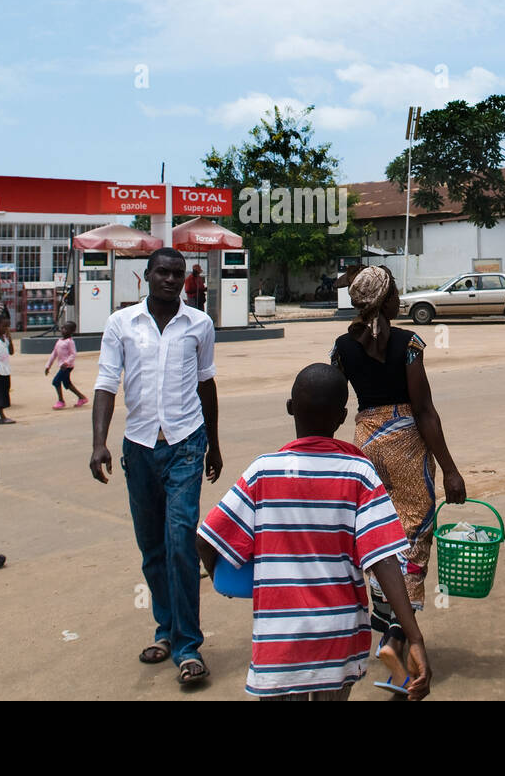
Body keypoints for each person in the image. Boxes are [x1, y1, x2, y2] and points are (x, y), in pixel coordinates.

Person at [197, 363, 430, 701]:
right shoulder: (359, 473)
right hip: (338, 641)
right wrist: (415, 638)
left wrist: (219, 574)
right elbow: (384, 561)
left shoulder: (264, 472)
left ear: (291, 408)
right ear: (342, 416)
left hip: (280, 642)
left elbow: (207, 539)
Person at [89, 246, 221, 688]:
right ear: (145, 276)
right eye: (162, 272)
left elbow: (207, 383)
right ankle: (165, 629)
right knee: (152, 548)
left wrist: (214, 446)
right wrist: (98, 443)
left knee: (181, 540)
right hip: (140, 448)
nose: (170, 279)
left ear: (185, 279)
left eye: (177, 273)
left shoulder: (199, 324)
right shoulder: (120, 324)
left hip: (186, 444)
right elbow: (107, 383)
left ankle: (188, 648)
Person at [329, 264, 465, 689]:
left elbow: (332, 399)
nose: (400, 297)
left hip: (366, 441)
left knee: (377, 534)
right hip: (406, 441)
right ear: (385, 299)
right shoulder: (408, 344)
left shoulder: (341, 347)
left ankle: (390, 627)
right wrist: (450, 468)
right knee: (414, 533)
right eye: (395, 291)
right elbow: (424, 409)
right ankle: (396, 634)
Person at [45, 321, 88, 409]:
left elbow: (73, 354)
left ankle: (61, 401)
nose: (63, 330)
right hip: (63, 366)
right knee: (67, 384)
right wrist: (48, 365)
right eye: (62, 328)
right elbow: (54, 354)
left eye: (65, 329)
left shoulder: (70, 342)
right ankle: (82, 397)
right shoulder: (59, 341)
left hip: (67, 367)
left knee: (56, 381)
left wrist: (66, 363)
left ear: (71, 331)